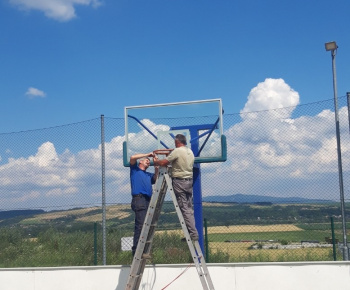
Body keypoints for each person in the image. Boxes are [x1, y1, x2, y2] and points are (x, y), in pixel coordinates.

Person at [153, 134, 199, 241]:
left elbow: (164, 162)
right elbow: (175, 153)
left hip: (180, 182)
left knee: (184, 209)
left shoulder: (177, 152)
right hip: (188, 181)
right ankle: (190, 232)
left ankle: (193, 234)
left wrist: (156, 162)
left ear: (177, 142)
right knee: (188, 208)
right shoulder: (189, 151)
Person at [129, 152, 159, 256]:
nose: (148, 161)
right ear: (140, 161)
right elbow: (132, 158)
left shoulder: (148, 175)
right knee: (141, 225)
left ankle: (144, 249)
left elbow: (156, 177)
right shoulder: (135, 170)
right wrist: (148, 154)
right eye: (146, 160)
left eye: (149, 161)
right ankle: (137, 250)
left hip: (147, 200)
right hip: (139, 199)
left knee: (147, 225)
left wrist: (156, 166)